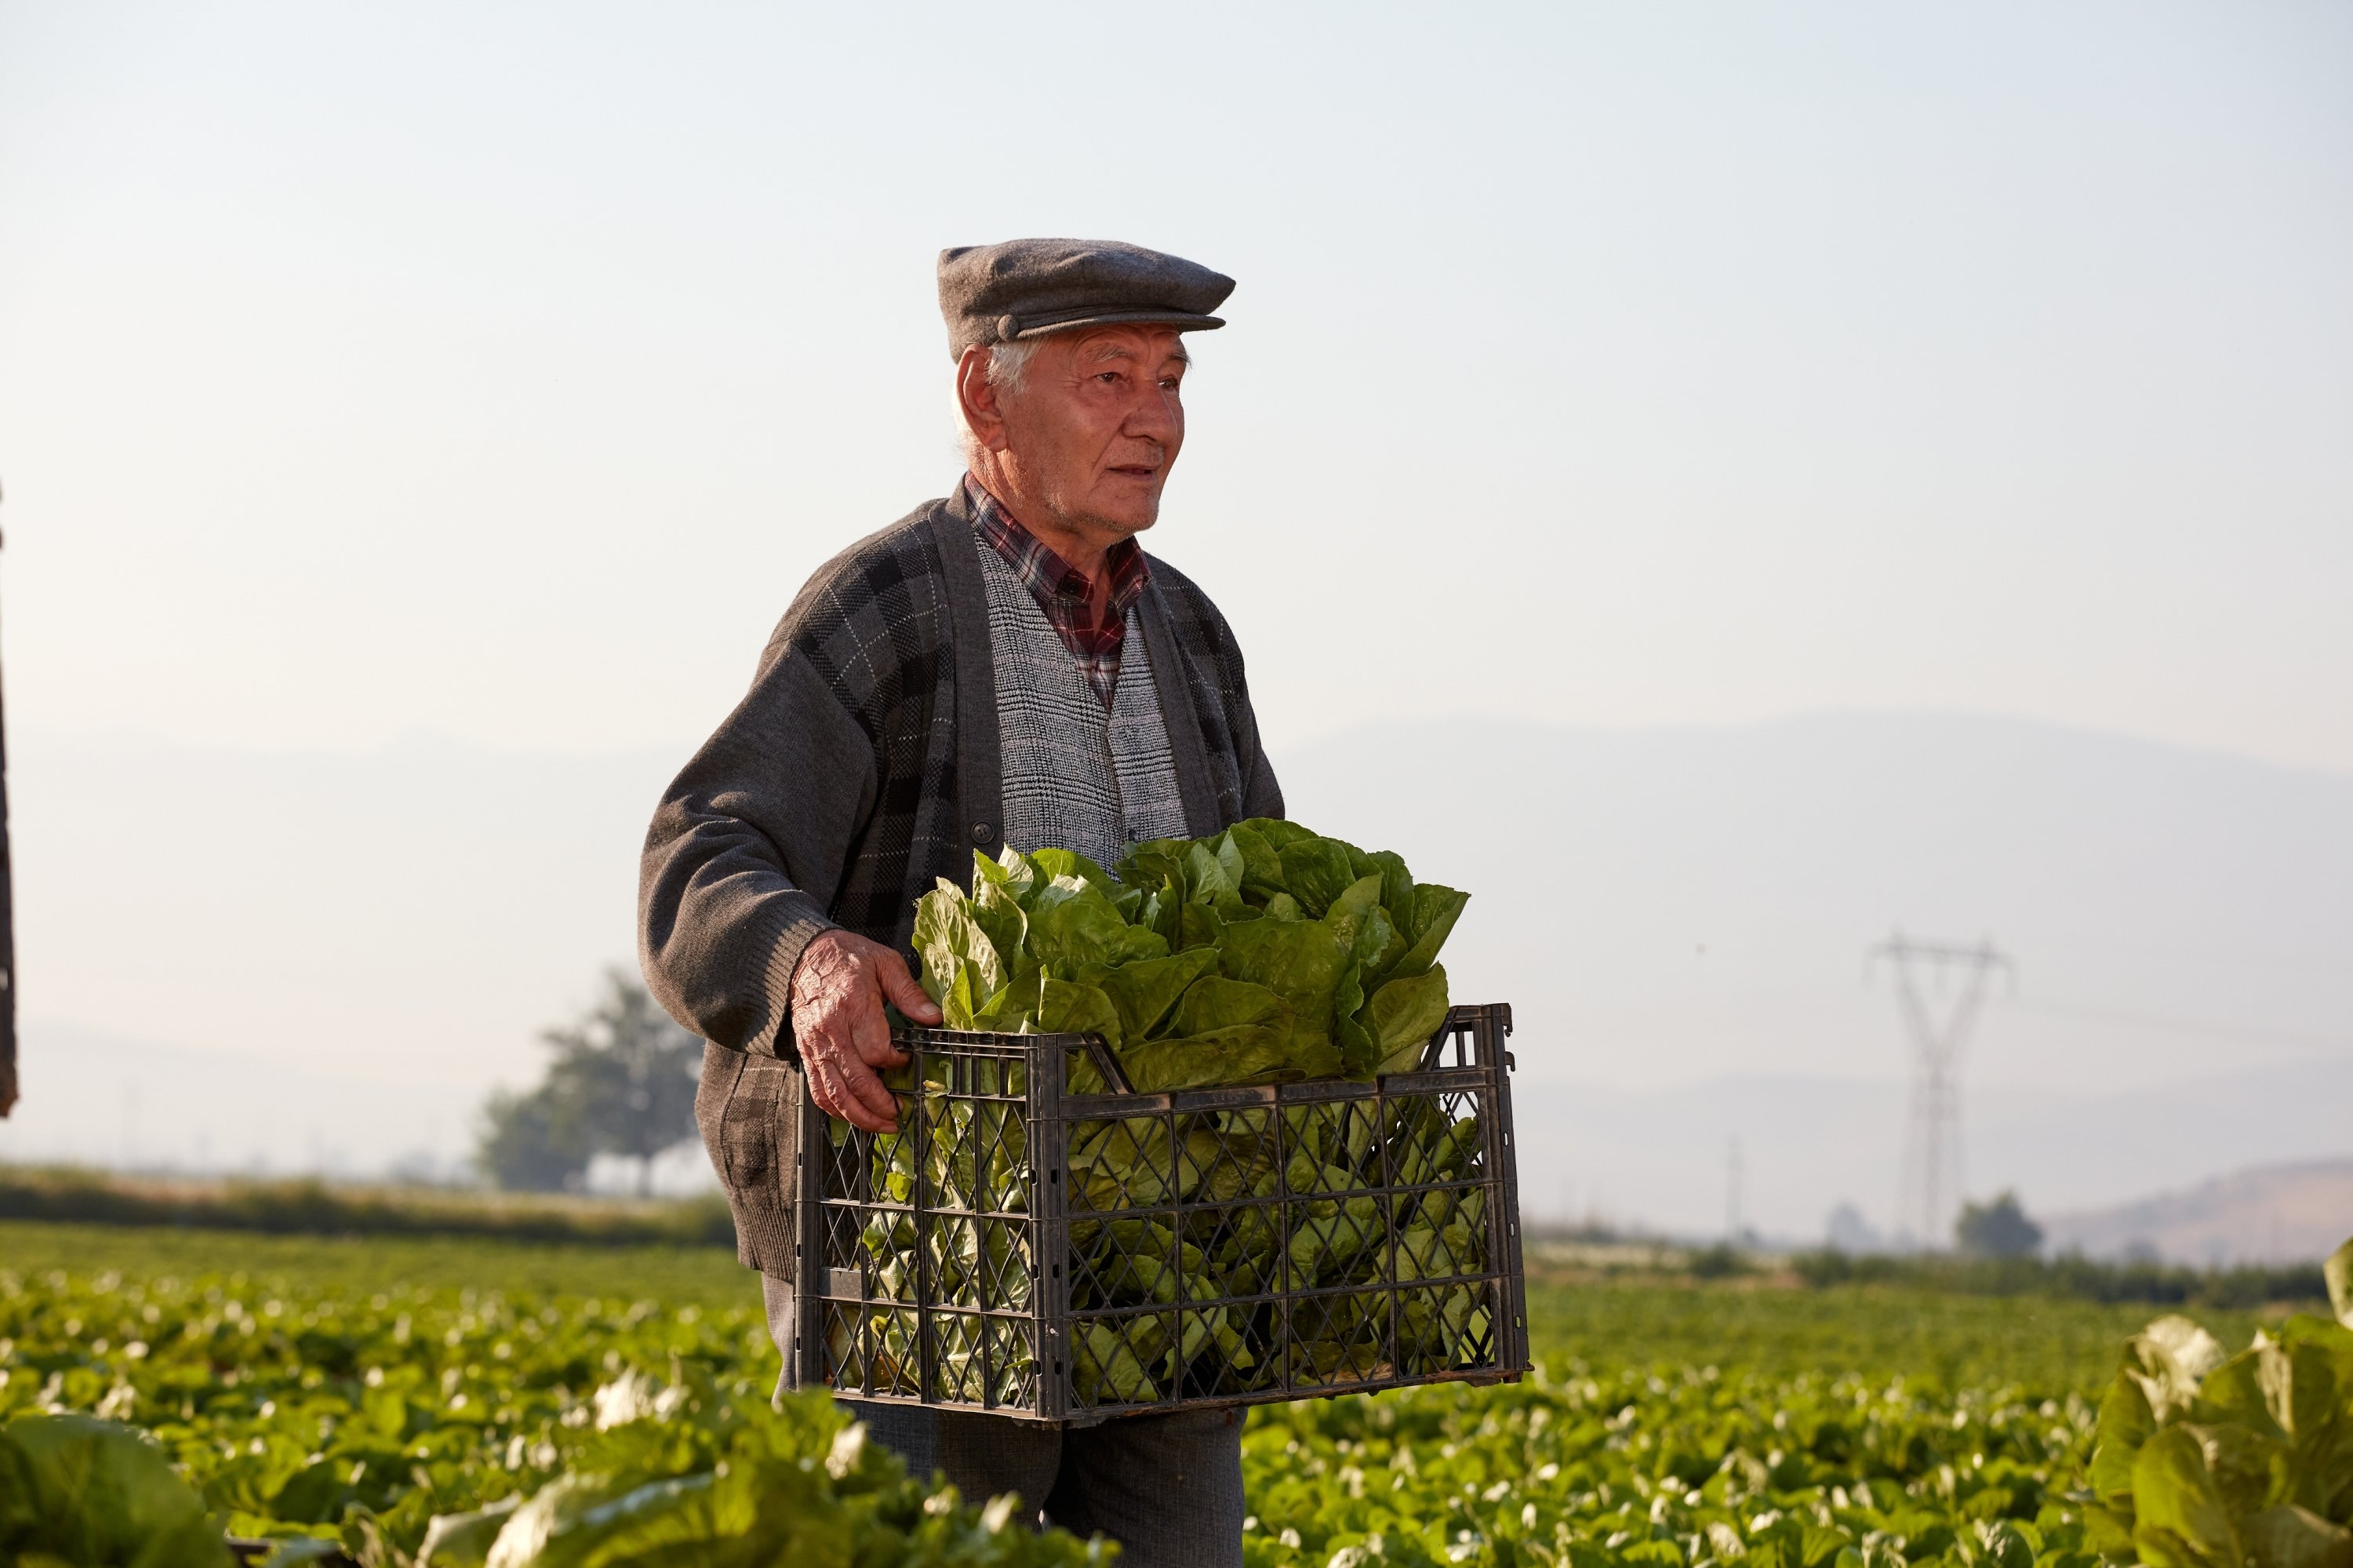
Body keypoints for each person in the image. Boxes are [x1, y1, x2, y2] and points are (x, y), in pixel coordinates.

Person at [638, 238, 1282, 1567]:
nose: (1156, 420)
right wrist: (807, 964)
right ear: (987, 401)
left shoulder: (1196, 637)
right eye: (1111, 379)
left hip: (1162, 1263)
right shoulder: (886, 606)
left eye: (1170, 382)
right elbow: (699, 855)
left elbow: (1270, 913)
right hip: (918, 1270)